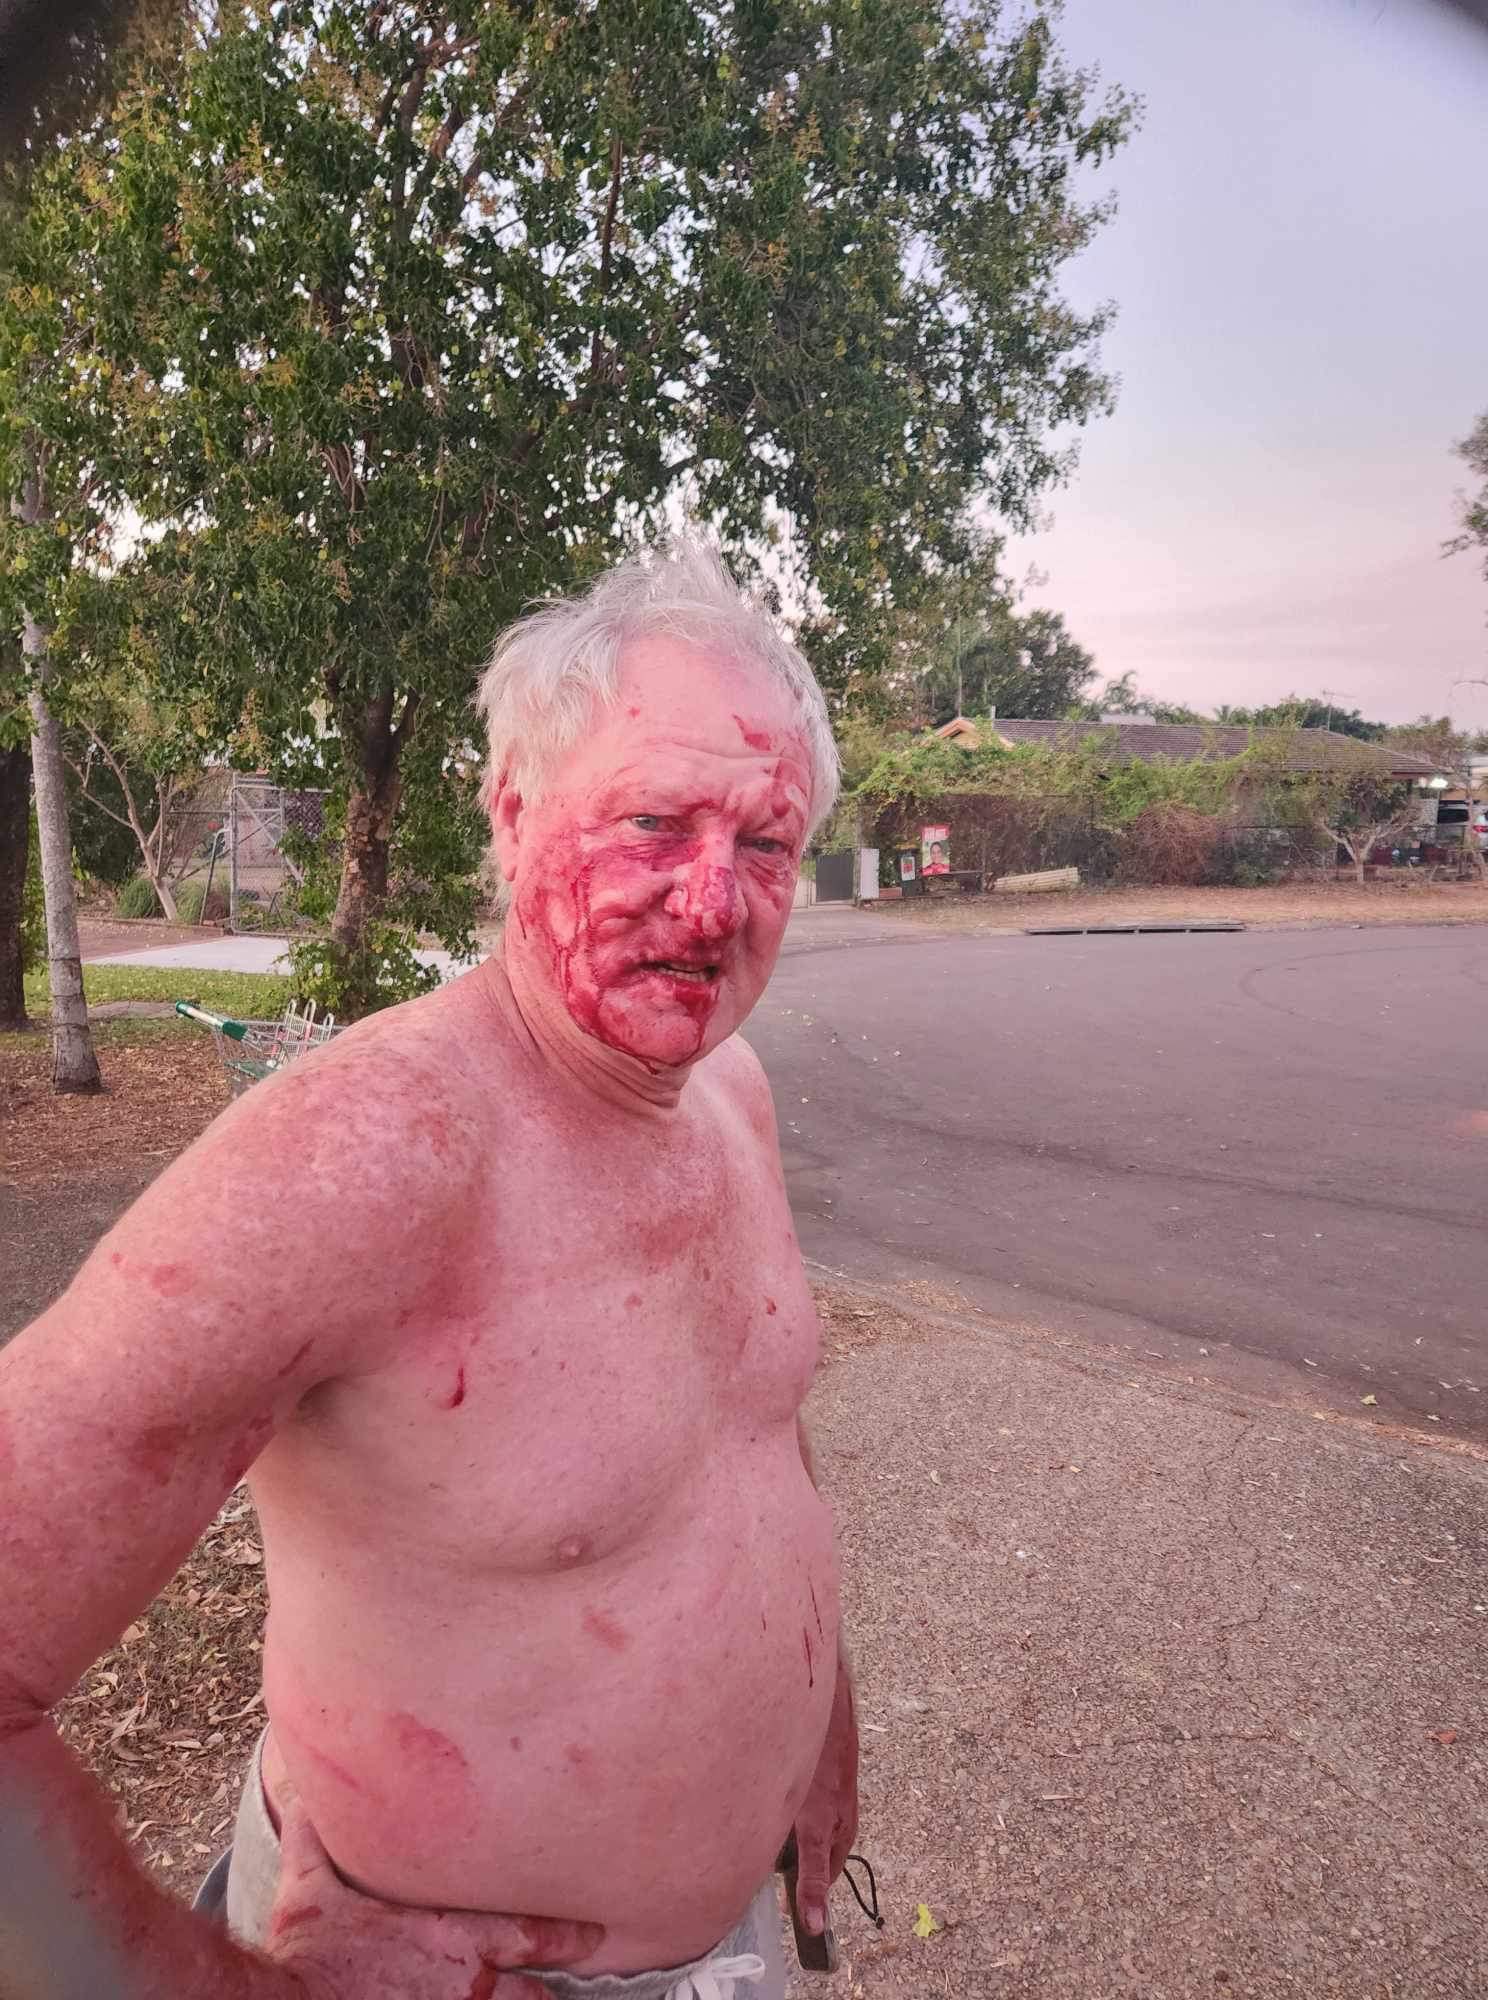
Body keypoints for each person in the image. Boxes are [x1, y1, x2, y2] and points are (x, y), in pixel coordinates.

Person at [0, 540, 859, 2000]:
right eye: (652, 824)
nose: (715, 904)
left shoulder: (729, 1092)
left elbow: (755, 1442)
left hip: (725, 1953)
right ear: (514, 816)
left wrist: (819, 1725)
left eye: (765, 846)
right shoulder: (372, 1158)